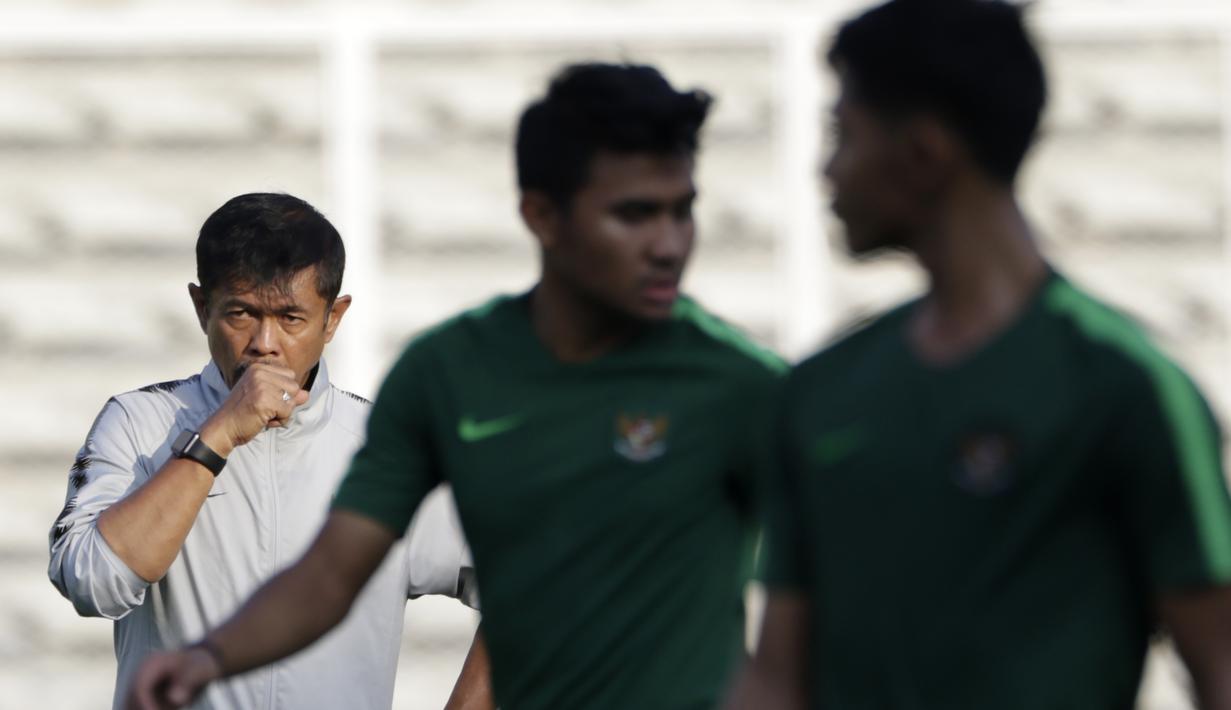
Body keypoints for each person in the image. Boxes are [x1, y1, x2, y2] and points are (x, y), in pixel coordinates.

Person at [127, 62, 784, 710]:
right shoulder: (446, 373)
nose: (668, 244)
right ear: (542, 216)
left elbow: (819, 616)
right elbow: (333, 573)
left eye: (681, 212)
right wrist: (206, 660)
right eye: (635, 214)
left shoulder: (746, 389)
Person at [724, 1, 1231, 708]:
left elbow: (1218, 660)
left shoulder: (1126, 387)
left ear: (925, 153)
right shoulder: (816, 393)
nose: (826, 168)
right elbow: (775, 675)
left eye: (843, 132)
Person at [48, 192, 488, 710]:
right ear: (201, 307)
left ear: (333, 318)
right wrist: (217, 436)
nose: (264, 342)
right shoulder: (138, 424)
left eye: (291, 318)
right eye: (241, 313)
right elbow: (93, 586)